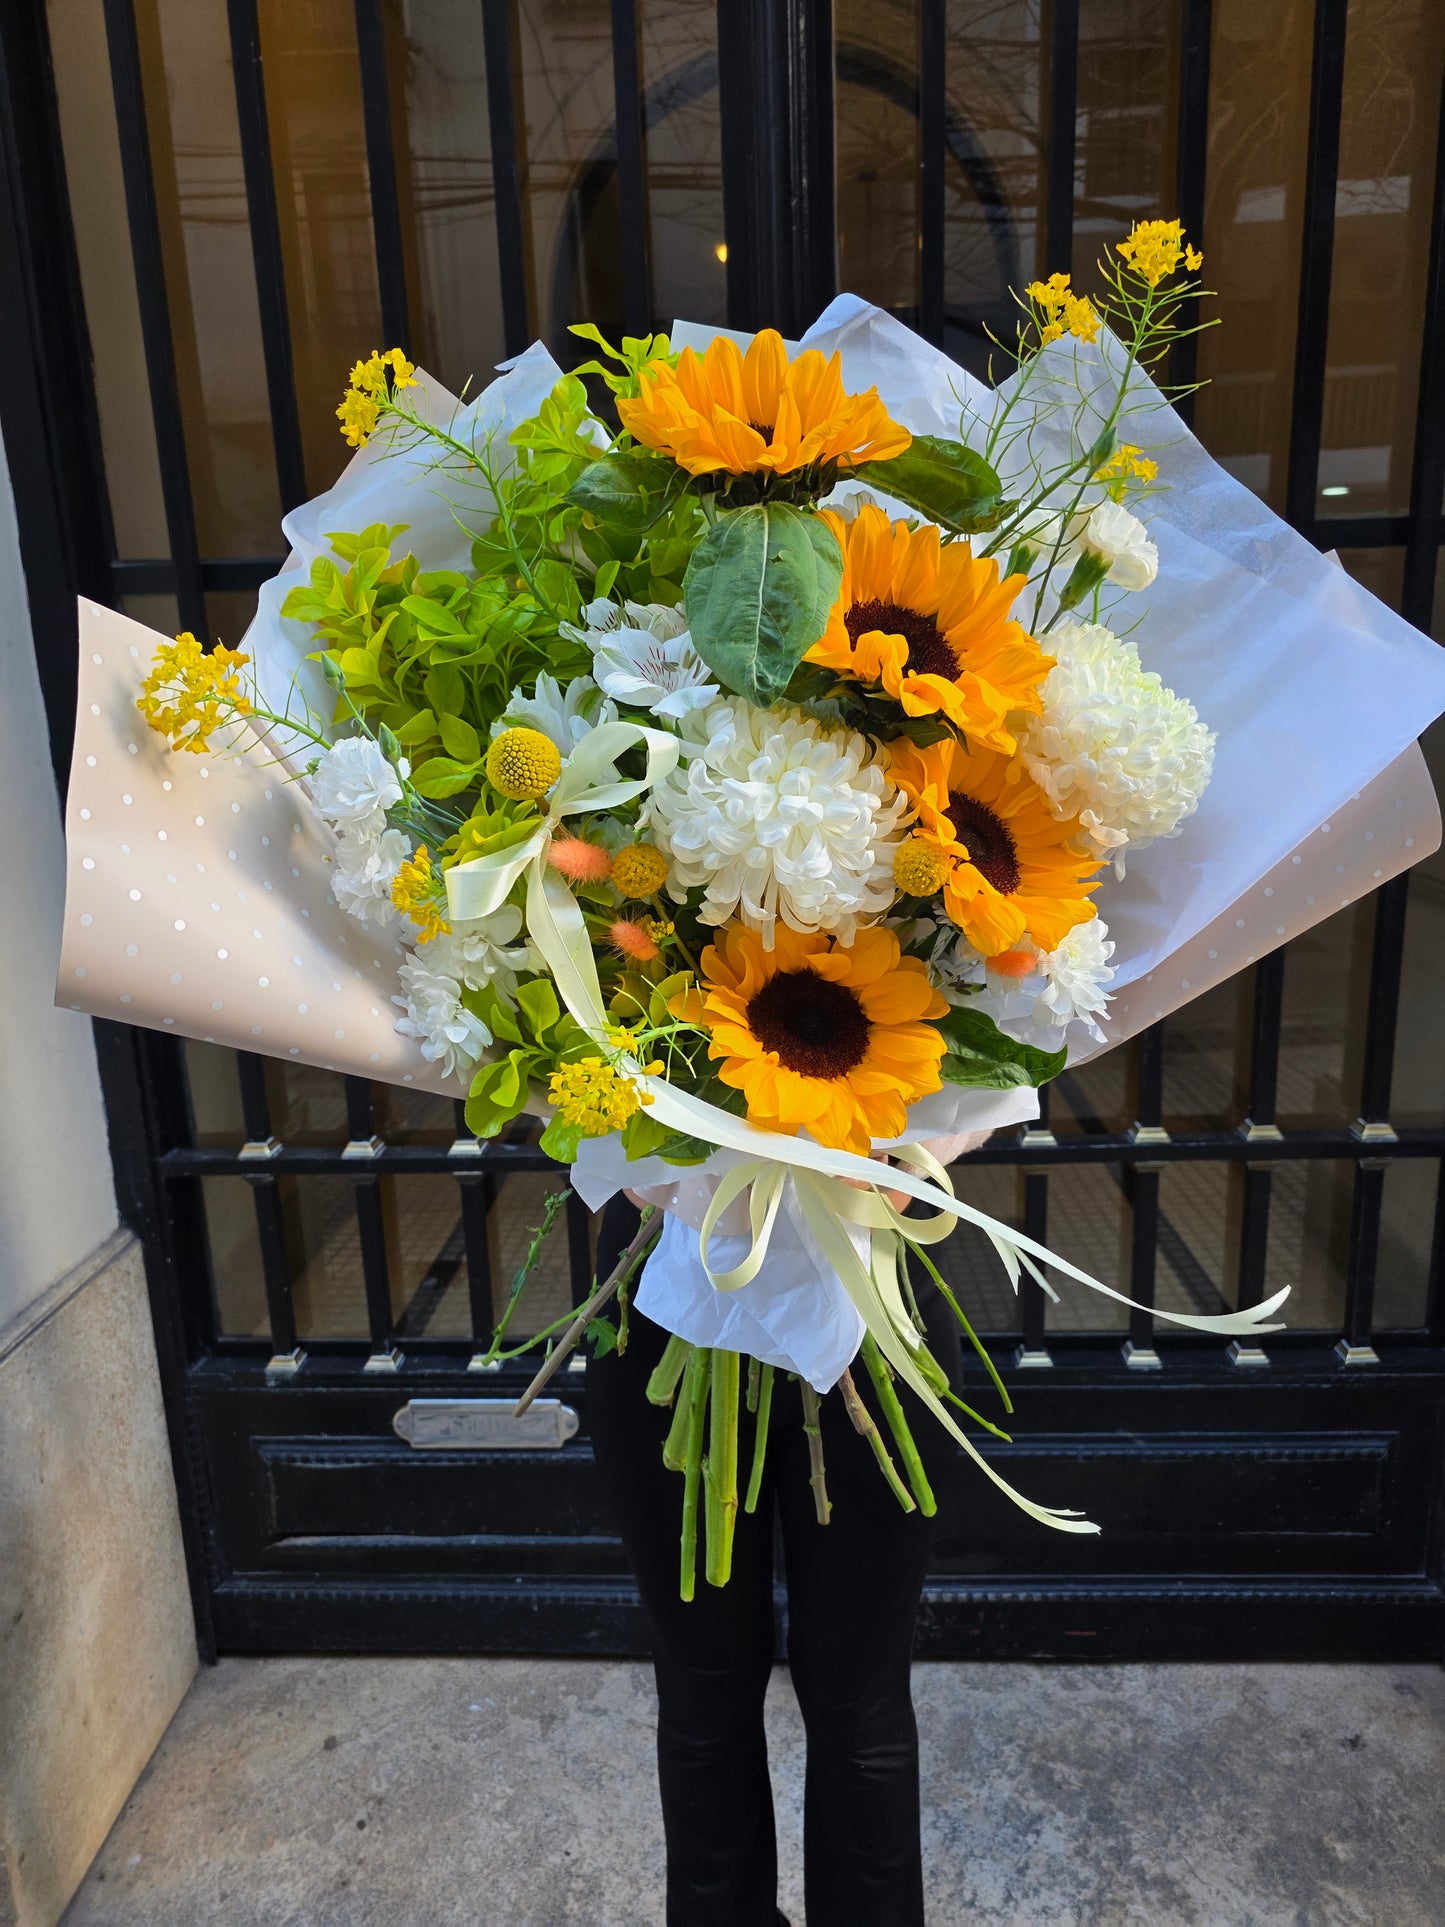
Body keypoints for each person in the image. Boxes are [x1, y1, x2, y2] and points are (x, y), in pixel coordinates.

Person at [585, 1133, 986, 1927]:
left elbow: (981, 1078)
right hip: (667, 1281)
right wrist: (626, 1149)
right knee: (702, 1691)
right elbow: (564, 1092)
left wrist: (916, 1152)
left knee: (859, 1699)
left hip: (870, 1282)